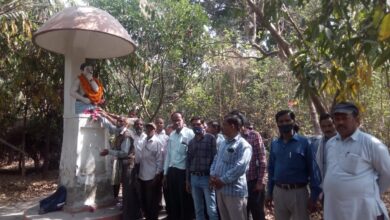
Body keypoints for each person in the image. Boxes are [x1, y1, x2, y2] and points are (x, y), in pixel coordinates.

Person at [323, 102, 390, 220]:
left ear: (356, 120)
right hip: (334, 209)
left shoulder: (371, 143)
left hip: (362, 209)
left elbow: (387, 173)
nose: (340, 122)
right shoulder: (330, 144)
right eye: (337, 119)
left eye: (345, 118)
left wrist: (370, 193)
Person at [265, 110, 321, 220]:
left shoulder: (305, 142)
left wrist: (314, 196)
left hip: (298, 193)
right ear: (277, 124)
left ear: (293, 121)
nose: (284, 124)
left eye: (287, 120)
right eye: (281, 121)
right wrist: (269, 193)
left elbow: (313, 170)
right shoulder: (275, 144)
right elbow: (271, 169)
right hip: (279, 191)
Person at [209, 114, 252, 220]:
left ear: (232, 126)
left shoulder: (243, 145)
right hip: (220, 190)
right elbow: (216, 159)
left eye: (224, 124)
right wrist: (212, 175)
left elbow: (241, 167)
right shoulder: (223, 143)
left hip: (234, 192)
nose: (222, 127)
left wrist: (223, 180)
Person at [163, 111, 195, 220]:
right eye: (174, 120)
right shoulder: (172, 135)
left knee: (185, 200)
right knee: (174, 199)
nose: (176, 122)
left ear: (183, 120)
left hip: (183, 172)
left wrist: (189, 177)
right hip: (172, 171)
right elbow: (168, 155)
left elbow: (192, 155)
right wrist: (165, 173)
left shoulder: (190, 134)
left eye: (178, 119)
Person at [186, 116, 218, 220]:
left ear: (203, 125)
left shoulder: (211, 139)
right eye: (194, 125)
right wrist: (187, 180)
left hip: (207, 178)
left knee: (211, 210)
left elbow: (215, 159)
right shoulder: (191, 142)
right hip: (194, 178)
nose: (196, 126)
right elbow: (188, 162)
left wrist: (212, 177)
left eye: (198, 124)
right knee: (198, 210)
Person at [98, 112, 132, 199]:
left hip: (126, 162)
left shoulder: (126, 134)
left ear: (125, 123)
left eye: (121, 121)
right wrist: (100, 116)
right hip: (120, 161)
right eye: (118, 121)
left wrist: (109, 152)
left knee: (126, 186)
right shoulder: (119, 130)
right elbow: (110, 127)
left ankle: (127, 207)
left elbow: (124, 153)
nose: (119, 122)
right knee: (117, 182)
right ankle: (122, 203)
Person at [138, 123, 164, 220]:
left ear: (155, 129)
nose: (149, 130)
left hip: (152, 177)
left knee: (153, 201)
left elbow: (160, 160)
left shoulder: (157, 142)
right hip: (142, 175)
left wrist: (157, 175)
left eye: (151, 128)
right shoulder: (144, 140)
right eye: (147, 128)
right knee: (145, 200)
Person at [242, 121, 266, 220]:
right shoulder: (232, 138)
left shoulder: (254, 135)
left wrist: (260, 181)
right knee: (244, 213)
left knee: (257, 213)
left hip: (253, 182)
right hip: (240, 184)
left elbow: (262, 159)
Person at [315, 113, 337, 182]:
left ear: (335, 125)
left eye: (330, 125)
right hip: (326, 183)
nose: (327, 129)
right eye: (323, 126)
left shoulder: (343, 141)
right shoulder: (318, 143)